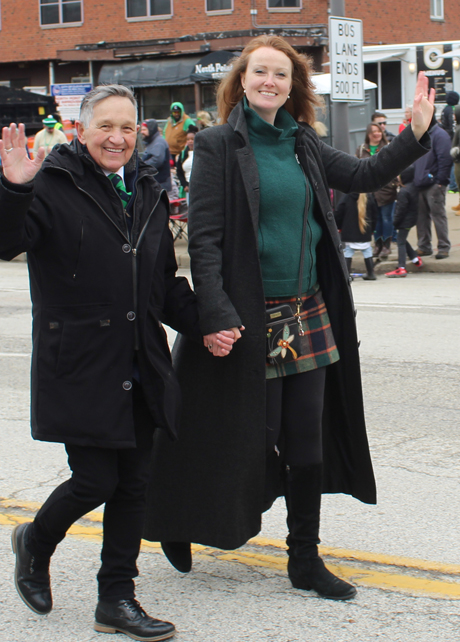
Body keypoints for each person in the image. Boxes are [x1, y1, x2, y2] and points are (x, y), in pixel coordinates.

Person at [144, 35, 434, 602]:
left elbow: (364, 173)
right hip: (247, 318)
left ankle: (304, 558)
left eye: (281, 74)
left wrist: (415, 132)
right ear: (242, 81)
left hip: (307, 312)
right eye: (260, 73)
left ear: (293, 85)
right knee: (251, 436)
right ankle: (184, 519)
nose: (270, 82)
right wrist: (216, 311)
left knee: (306, 442)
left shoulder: (302, 142)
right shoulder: (218, 144)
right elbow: (203, 239)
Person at [0, 84, 206, 641]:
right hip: (81, 361)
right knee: (96, 478)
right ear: (80, 129)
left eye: (128, 127)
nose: (118, 138)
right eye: (106, 126)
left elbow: (161, 285)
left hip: (140, 360)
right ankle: (36, 540)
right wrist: (11, 187)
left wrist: (212, 319)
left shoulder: (147, 188)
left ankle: (116, 598)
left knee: (134, 484)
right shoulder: (51, 183)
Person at [413, 110, 453, 259]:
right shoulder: (420, 135)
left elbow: (445, 159)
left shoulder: (440, 135)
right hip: (420, 182)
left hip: (434, 184)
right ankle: (424, 246)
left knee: (438, 216)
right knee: (421, 217)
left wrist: (441, 182)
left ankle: (443, 246)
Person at [356, 123, 399, 259]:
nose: (377, 134)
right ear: (368, 134)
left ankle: (387, 245)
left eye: (379, 131)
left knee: (387, 218)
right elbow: (356, 166)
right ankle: (378, 244)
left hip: (386, 190)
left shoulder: (388, 148)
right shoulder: (362, 149)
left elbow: (397, 166)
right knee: (375, 219)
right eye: (373, 132)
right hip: (369, 191)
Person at [385, 165, 423, 277]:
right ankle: (415, 259)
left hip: (404, 221)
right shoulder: (413, 187)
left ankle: (401, 267)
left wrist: (395, 222)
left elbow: (401, 210)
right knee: (402, 239)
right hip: (411, 219)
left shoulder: (403, 192)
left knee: (400, 242)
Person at [335, 192, 378, 280]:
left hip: (349, 231)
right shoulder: (369, 196)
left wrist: (339, 226)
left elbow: (339, 212)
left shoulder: (346, 196)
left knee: (348, 252)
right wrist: (372, 229)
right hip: (365, 231)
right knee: (367, 251)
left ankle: (347, 275)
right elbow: (375, 215)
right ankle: (371, 273)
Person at [140, 119, 172, 191]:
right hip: (155, 183)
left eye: (144, 130)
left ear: (151, 129)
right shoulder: (152, 142)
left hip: (160, 183)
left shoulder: (158, 143)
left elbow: (157, 160)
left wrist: (141, 166)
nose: (142, 132)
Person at [175, 125, 197, 203]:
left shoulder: (201, 153)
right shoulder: (183, 154)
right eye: (188, 139)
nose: (190, 141)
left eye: (192, 139)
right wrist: (184, 185)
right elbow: (179, 171)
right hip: (188, 188)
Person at [450, 105, 460, 214]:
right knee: (458, 182)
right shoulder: (457, 127)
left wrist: (456, 150)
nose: (453, 116)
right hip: (457, 160)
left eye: (454, 114)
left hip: (459, 160)